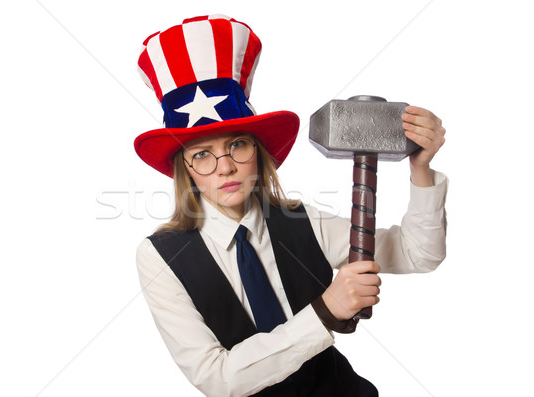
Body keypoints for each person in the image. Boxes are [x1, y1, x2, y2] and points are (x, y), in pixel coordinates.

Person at [135, 15, 447, 397]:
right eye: (202, 154)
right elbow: (217, 378)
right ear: (185, 169)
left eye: (237, 145)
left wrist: (421, 168)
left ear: (259, 151)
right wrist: (324, 310)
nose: (226, 166)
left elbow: (419, 254)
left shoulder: (303, 222)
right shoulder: (159, 257)